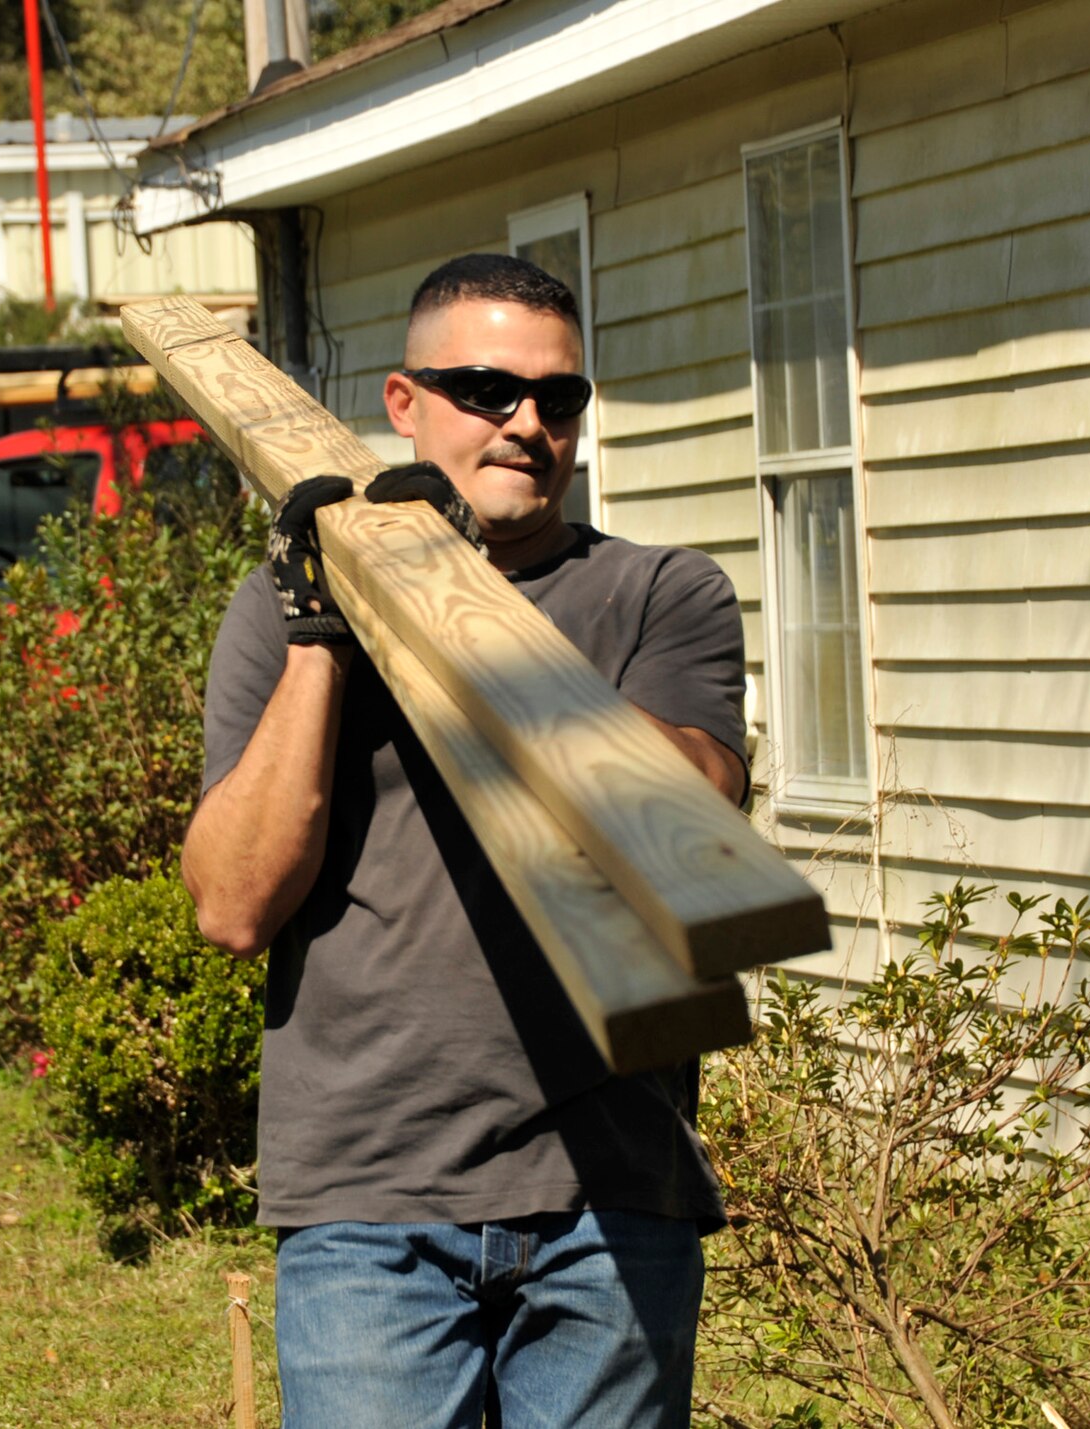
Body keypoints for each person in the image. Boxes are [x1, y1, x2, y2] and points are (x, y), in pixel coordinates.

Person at [181, 253, 749, 1429]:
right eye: (487, 389)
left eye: (560, 399)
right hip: (368, 1194)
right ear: (403, 403)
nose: (526, 423)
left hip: (610, 1193)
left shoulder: (659, 596)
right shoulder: (281, 611)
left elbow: (692, 819)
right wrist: (327, 640)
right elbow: (233, 907)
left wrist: (463, 612)